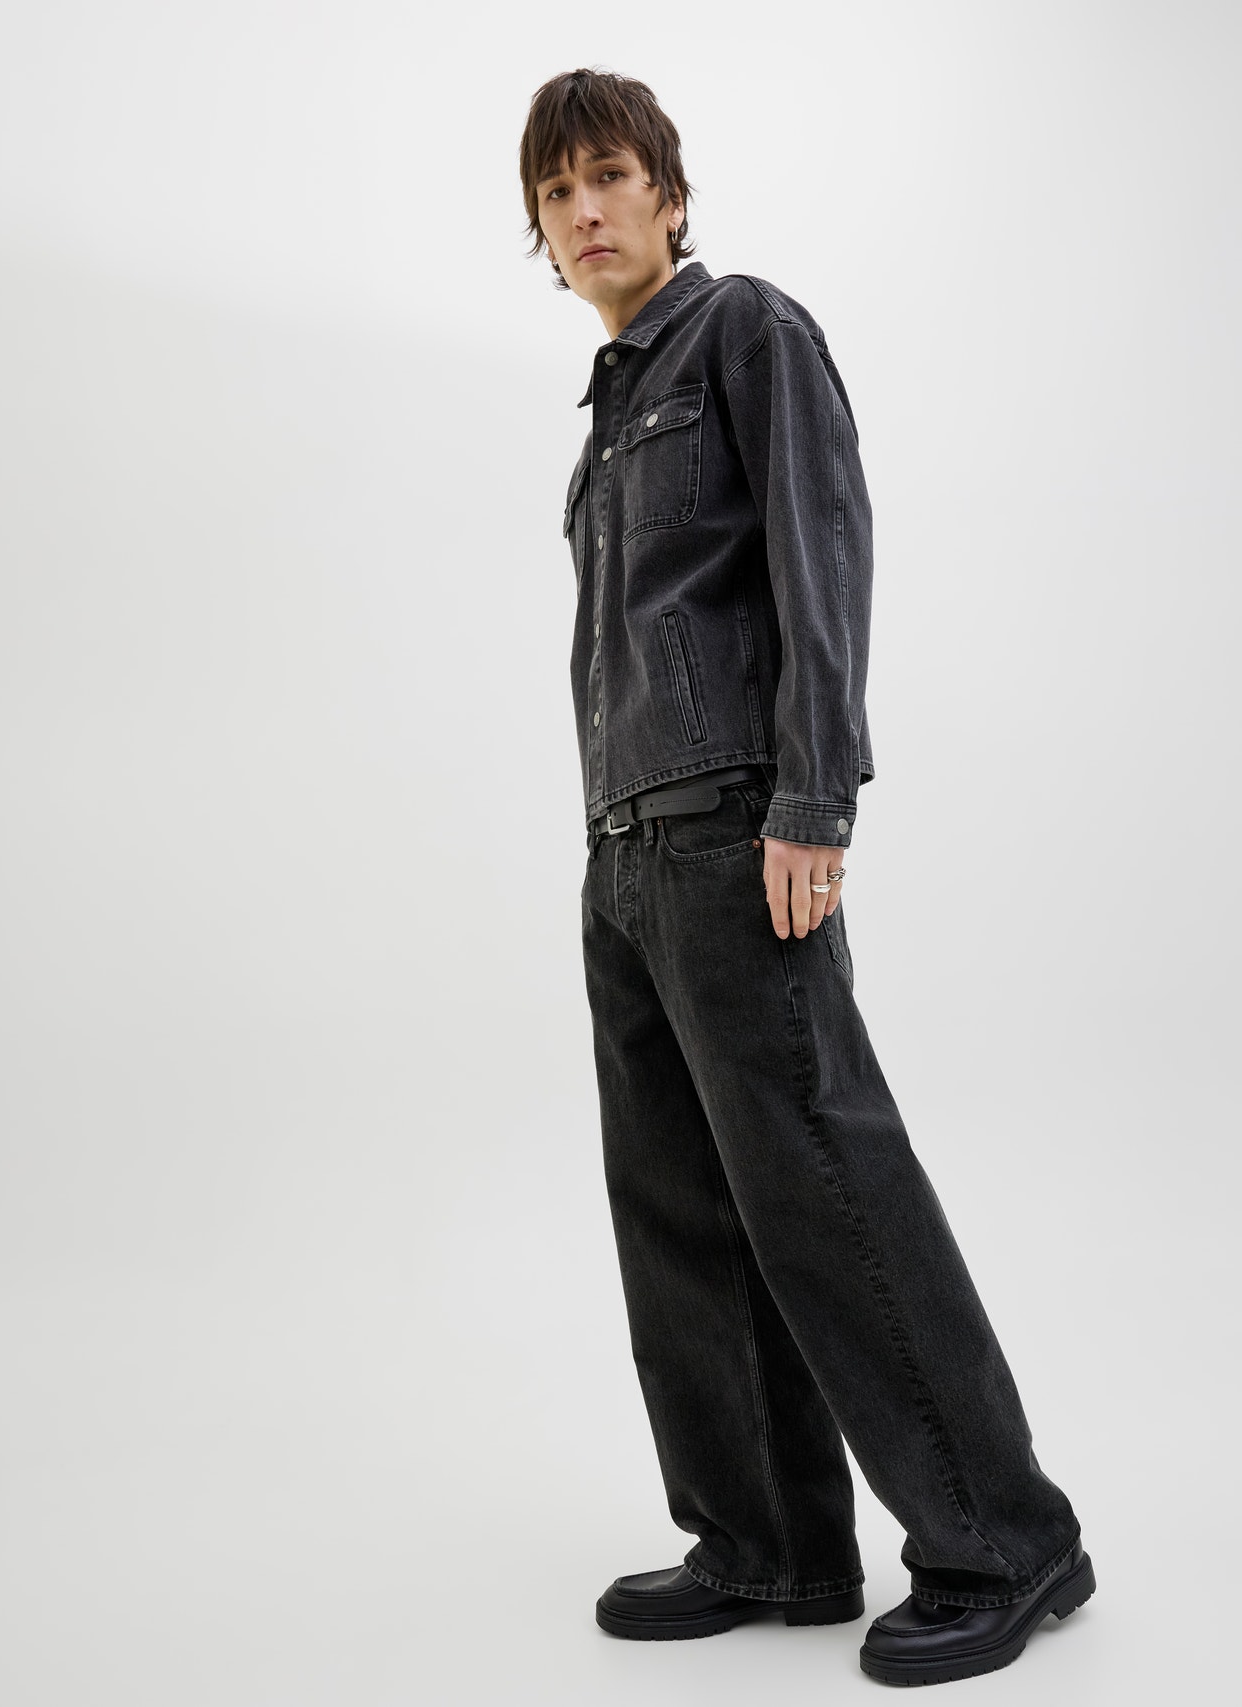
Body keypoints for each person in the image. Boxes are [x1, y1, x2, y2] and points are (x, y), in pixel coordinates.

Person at [517, 67, 1095, 1687]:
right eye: (555, 195)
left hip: (735, 834)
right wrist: (607, 861)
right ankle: (768, 1540)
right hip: (625, 854)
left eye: (609, 176)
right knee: (681, 1213)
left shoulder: (747, 333)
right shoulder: (610, 415)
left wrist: (814, 804)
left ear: (669, 193)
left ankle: (1008, 1540)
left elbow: (819, 556)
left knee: (830, 1188)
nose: (585, 211)